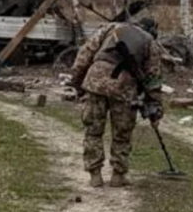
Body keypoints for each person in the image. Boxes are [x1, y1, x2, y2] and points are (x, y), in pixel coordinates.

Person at [68, 17, 164, 188]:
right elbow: (153, 78)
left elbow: (84, 55)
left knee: (93, 131)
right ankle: (118, 175)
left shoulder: (110, 28)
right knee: (122, 134)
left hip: (95, 81)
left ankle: (95, 175)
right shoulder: (150, 42)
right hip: (124, 88)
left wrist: (77, 82)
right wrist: (155, 106)